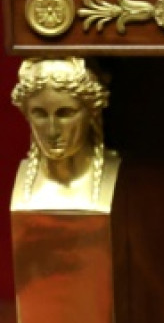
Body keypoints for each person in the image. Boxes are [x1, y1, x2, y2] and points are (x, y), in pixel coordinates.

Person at [10, 57, 119, 211]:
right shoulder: (25, 184)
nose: (52, 131)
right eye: (40, 114)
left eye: (65, 113)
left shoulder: (113, 174)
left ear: (92, 112)